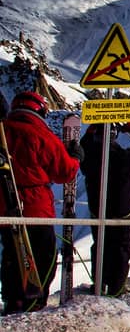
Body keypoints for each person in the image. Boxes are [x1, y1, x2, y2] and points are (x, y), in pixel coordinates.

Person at [0, 92, 82, 314]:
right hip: (35, 208)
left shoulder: (3, 131)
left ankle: (13, 299)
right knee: (42, 256)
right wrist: (75, 157)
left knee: (13, 255)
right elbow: (64, 172)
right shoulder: (41, 135)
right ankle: (34, 300)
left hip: (5, 208)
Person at [81, 121, 130, 297]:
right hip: (121, 211)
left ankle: (100, 282)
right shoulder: (124, 157)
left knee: (100, 245)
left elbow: (84, 144)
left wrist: (93, 127)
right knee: (120, 248)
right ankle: (116, 287)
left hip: (98, 210)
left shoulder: (88, 157)